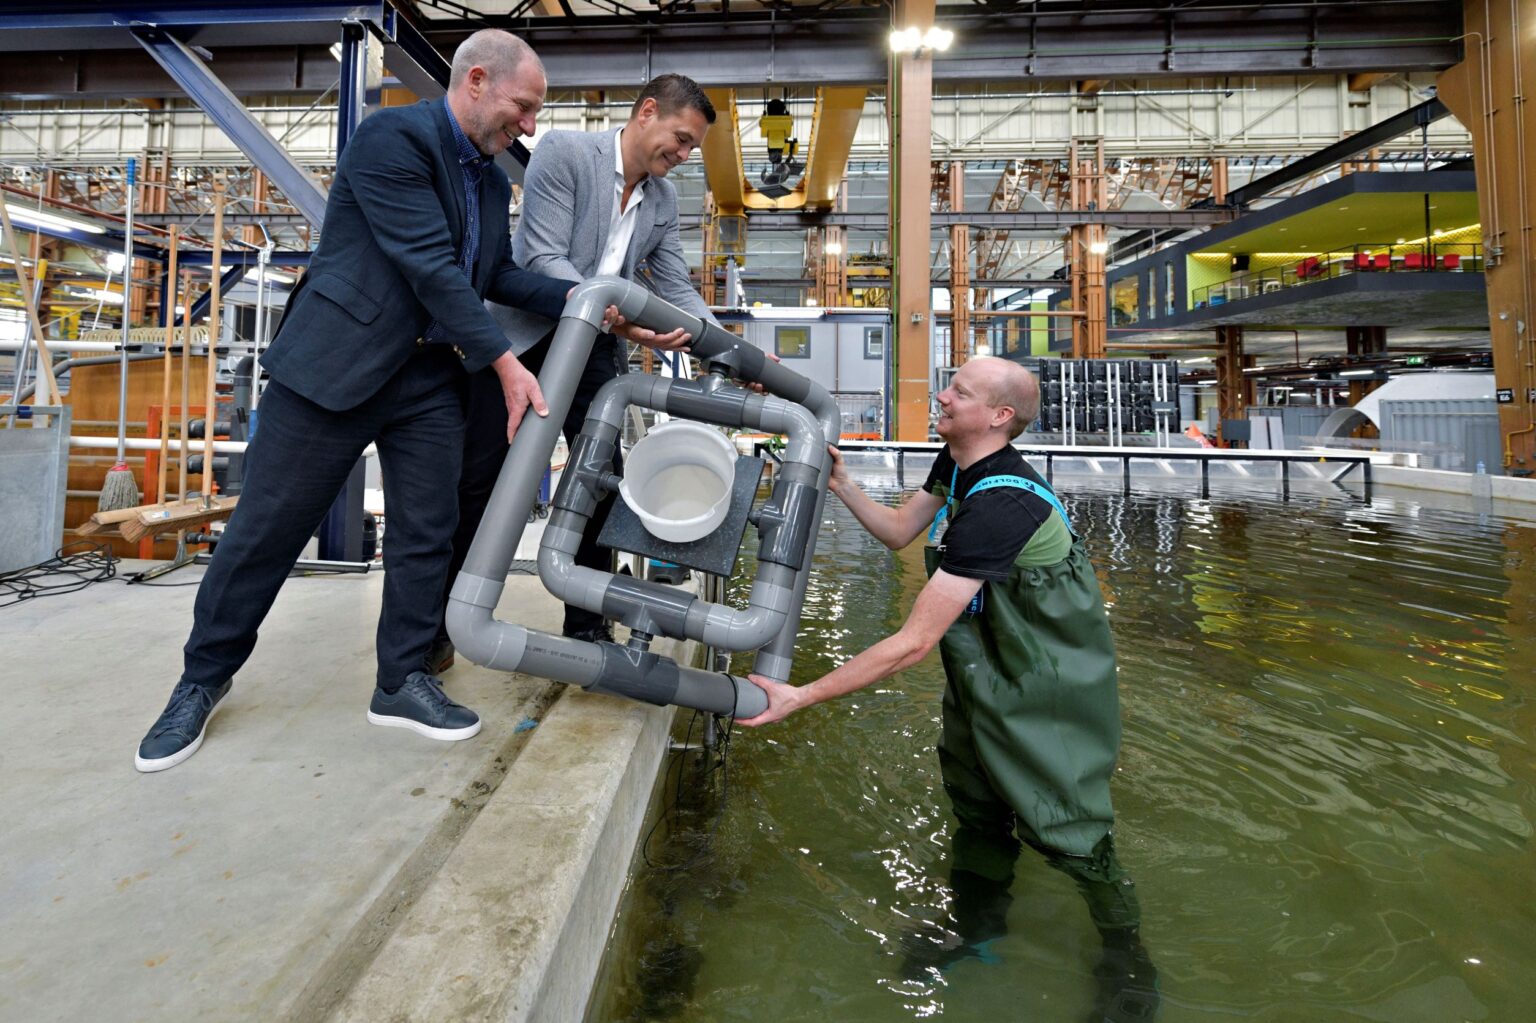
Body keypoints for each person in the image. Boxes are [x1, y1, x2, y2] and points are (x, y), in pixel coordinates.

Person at [135, 30, 578, 773]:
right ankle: (200, 680)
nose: (528, 127)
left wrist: (591, 302)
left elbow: (492, 274)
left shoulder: (494, 182)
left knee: (427, 534)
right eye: (523, 107)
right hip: (334, 369)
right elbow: (430, 266)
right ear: (475, 81)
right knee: (266, 533)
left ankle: (400, 679)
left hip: (429, 376)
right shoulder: (392, 140)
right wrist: (504, 362)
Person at [741, 357, 1158, 1019]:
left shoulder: (1003, 503)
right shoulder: (956, 464)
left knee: (1070, 828)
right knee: (977, 804)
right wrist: (842, 482)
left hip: (1047, 683)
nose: (941, 394)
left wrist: (801, 695)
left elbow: (912, 642)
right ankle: (978, 927)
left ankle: (1129, 958)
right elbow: (900, 531)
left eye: (958, 391)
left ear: (999, 416)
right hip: (985, 667)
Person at [433, 72, 716, 668]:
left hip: (592, 349)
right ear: (646, 113)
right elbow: (541, 256)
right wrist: (616, 316)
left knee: (597, 481)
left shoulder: (662, 200)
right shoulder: (564, 152)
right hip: (525, 334)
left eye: (693, 148)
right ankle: (440, 623)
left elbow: (673, 285)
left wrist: (724, 343)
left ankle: (588, 625)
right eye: (681, 138)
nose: (685, 155)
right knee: (478, 481)